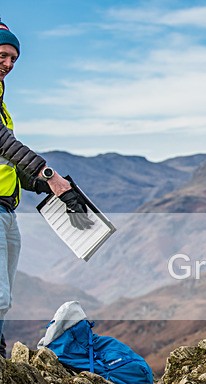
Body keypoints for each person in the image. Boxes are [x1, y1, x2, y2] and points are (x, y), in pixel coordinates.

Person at [0, 19, 92, 357]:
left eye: (14, 59)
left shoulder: (3, 105)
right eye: (2, 55)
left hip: (7, 210)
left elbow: (10, 166)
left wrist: (47, 186)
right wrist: (51, 175)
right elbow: (4, 144)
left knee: (4, 299)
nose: (9, 64)